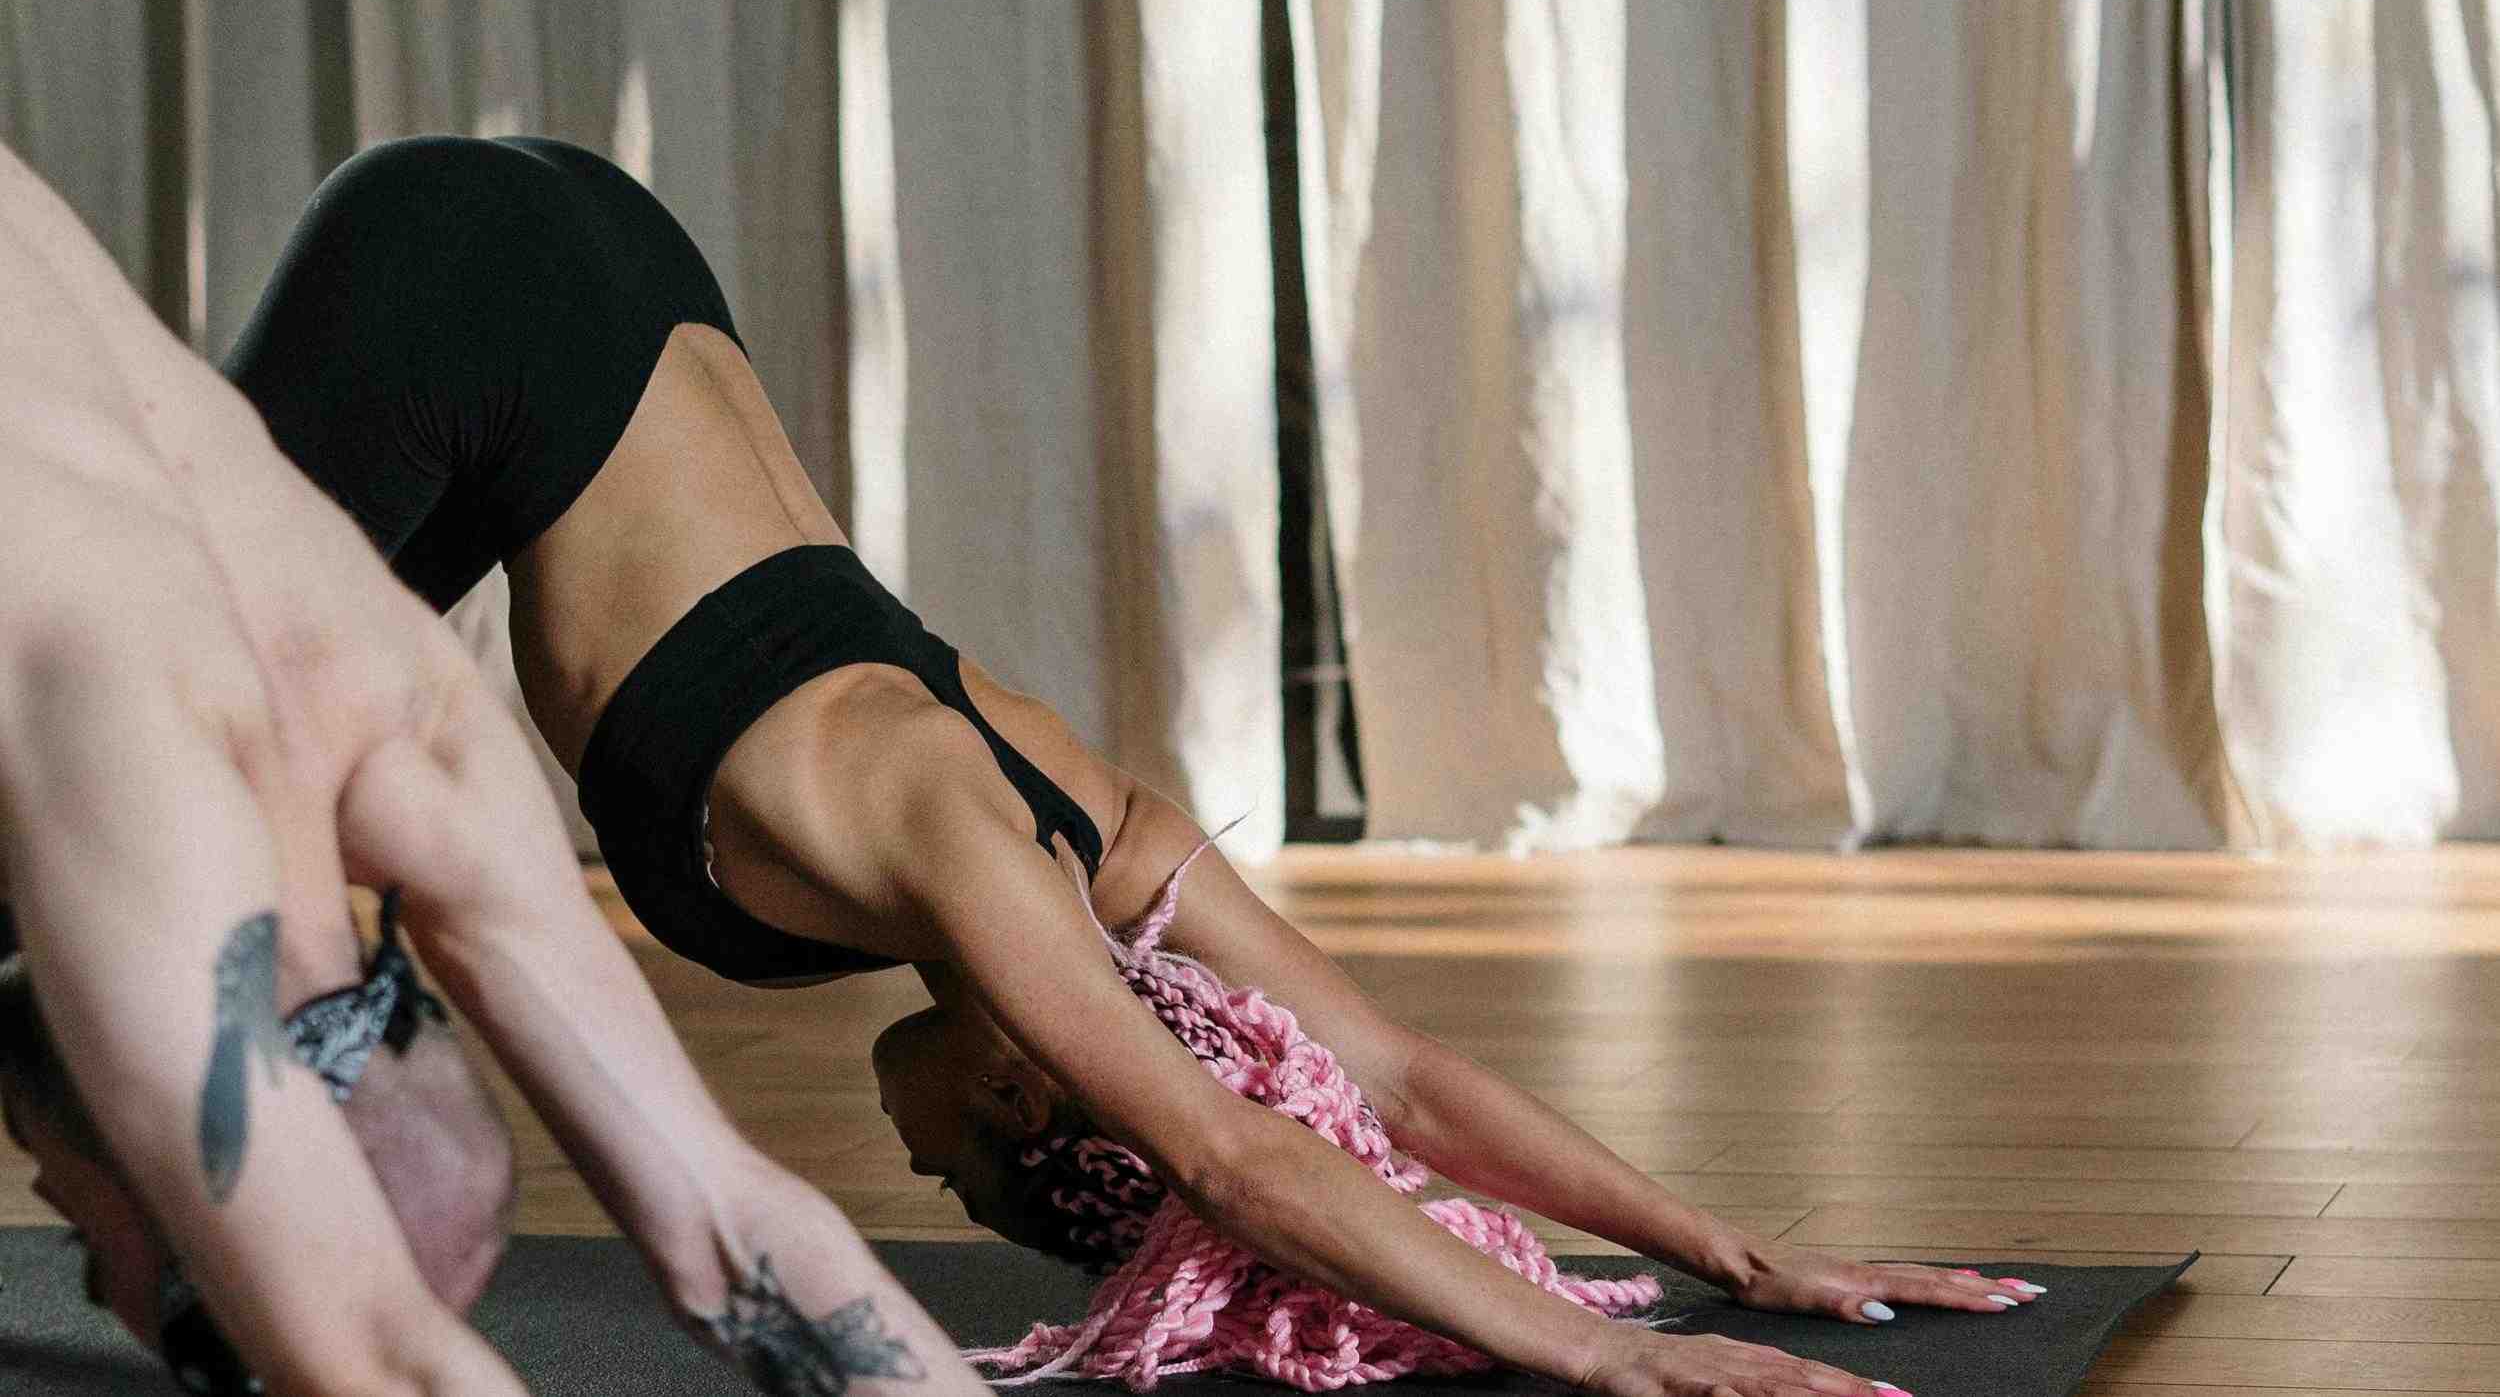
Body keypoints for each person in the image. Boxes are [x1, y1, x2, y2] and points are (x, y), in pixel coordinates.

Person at [225, 135, 2045, 1397]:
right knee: (165, 705)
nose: (918, 1166)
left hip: (605, 290)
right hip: (476, 285)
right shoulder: (962, 837)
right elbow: (1239, 1151)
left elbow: (1394, 1079)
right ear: (1026, 1097)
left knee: (253, 724)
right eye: (960, 1184)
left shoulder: (1092, 829)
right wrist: (1608, 1342)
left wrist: (1730, 1252)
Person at [0, 140, 983, 1397]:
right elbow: (376, 1350)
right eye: (96, 1250)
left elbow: (733, 1222)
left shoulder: (386, 719)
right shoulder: (307, 743)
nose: (78, 1267)